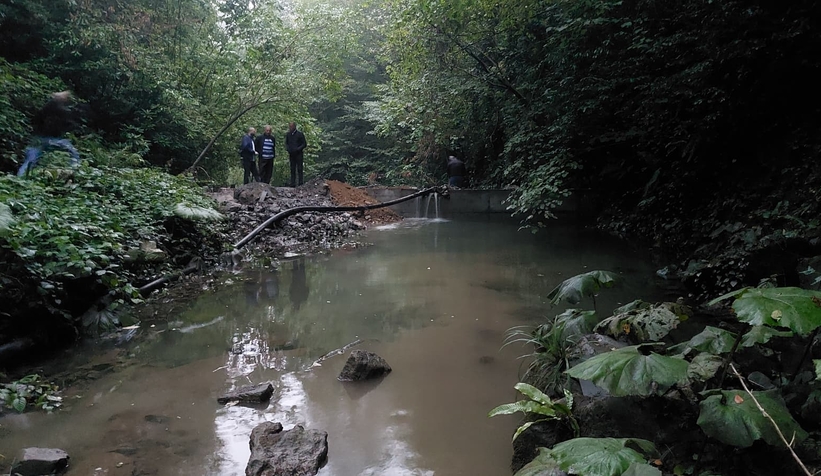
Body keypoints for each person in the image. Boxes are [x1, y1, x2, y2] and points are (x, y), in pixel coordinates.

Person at [17, 91, 82, 177]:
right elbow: (69, 124)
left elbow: (35, 120)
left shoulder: (45, 109)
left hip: (37, 138)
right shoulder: (61, 111)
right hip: (53, 139)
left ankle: (20, 177)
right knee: (73, 153)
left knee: (30, 160)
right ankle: (75, 172)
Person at [285, 122, 307, 187]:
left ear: (294, 127)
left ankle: (300, 183)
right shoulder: (288, 135)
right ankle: (293, 183)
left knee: (300, 168)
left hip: (298, 154)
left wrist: (298, 149)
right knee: (292, 168)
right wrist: (288, 149)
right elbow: (287, 143)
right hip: (291, 154)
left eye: (291, 126)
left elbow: (304, 144)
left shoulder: (300, 134)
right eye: (289, 127)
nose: (290, 128)